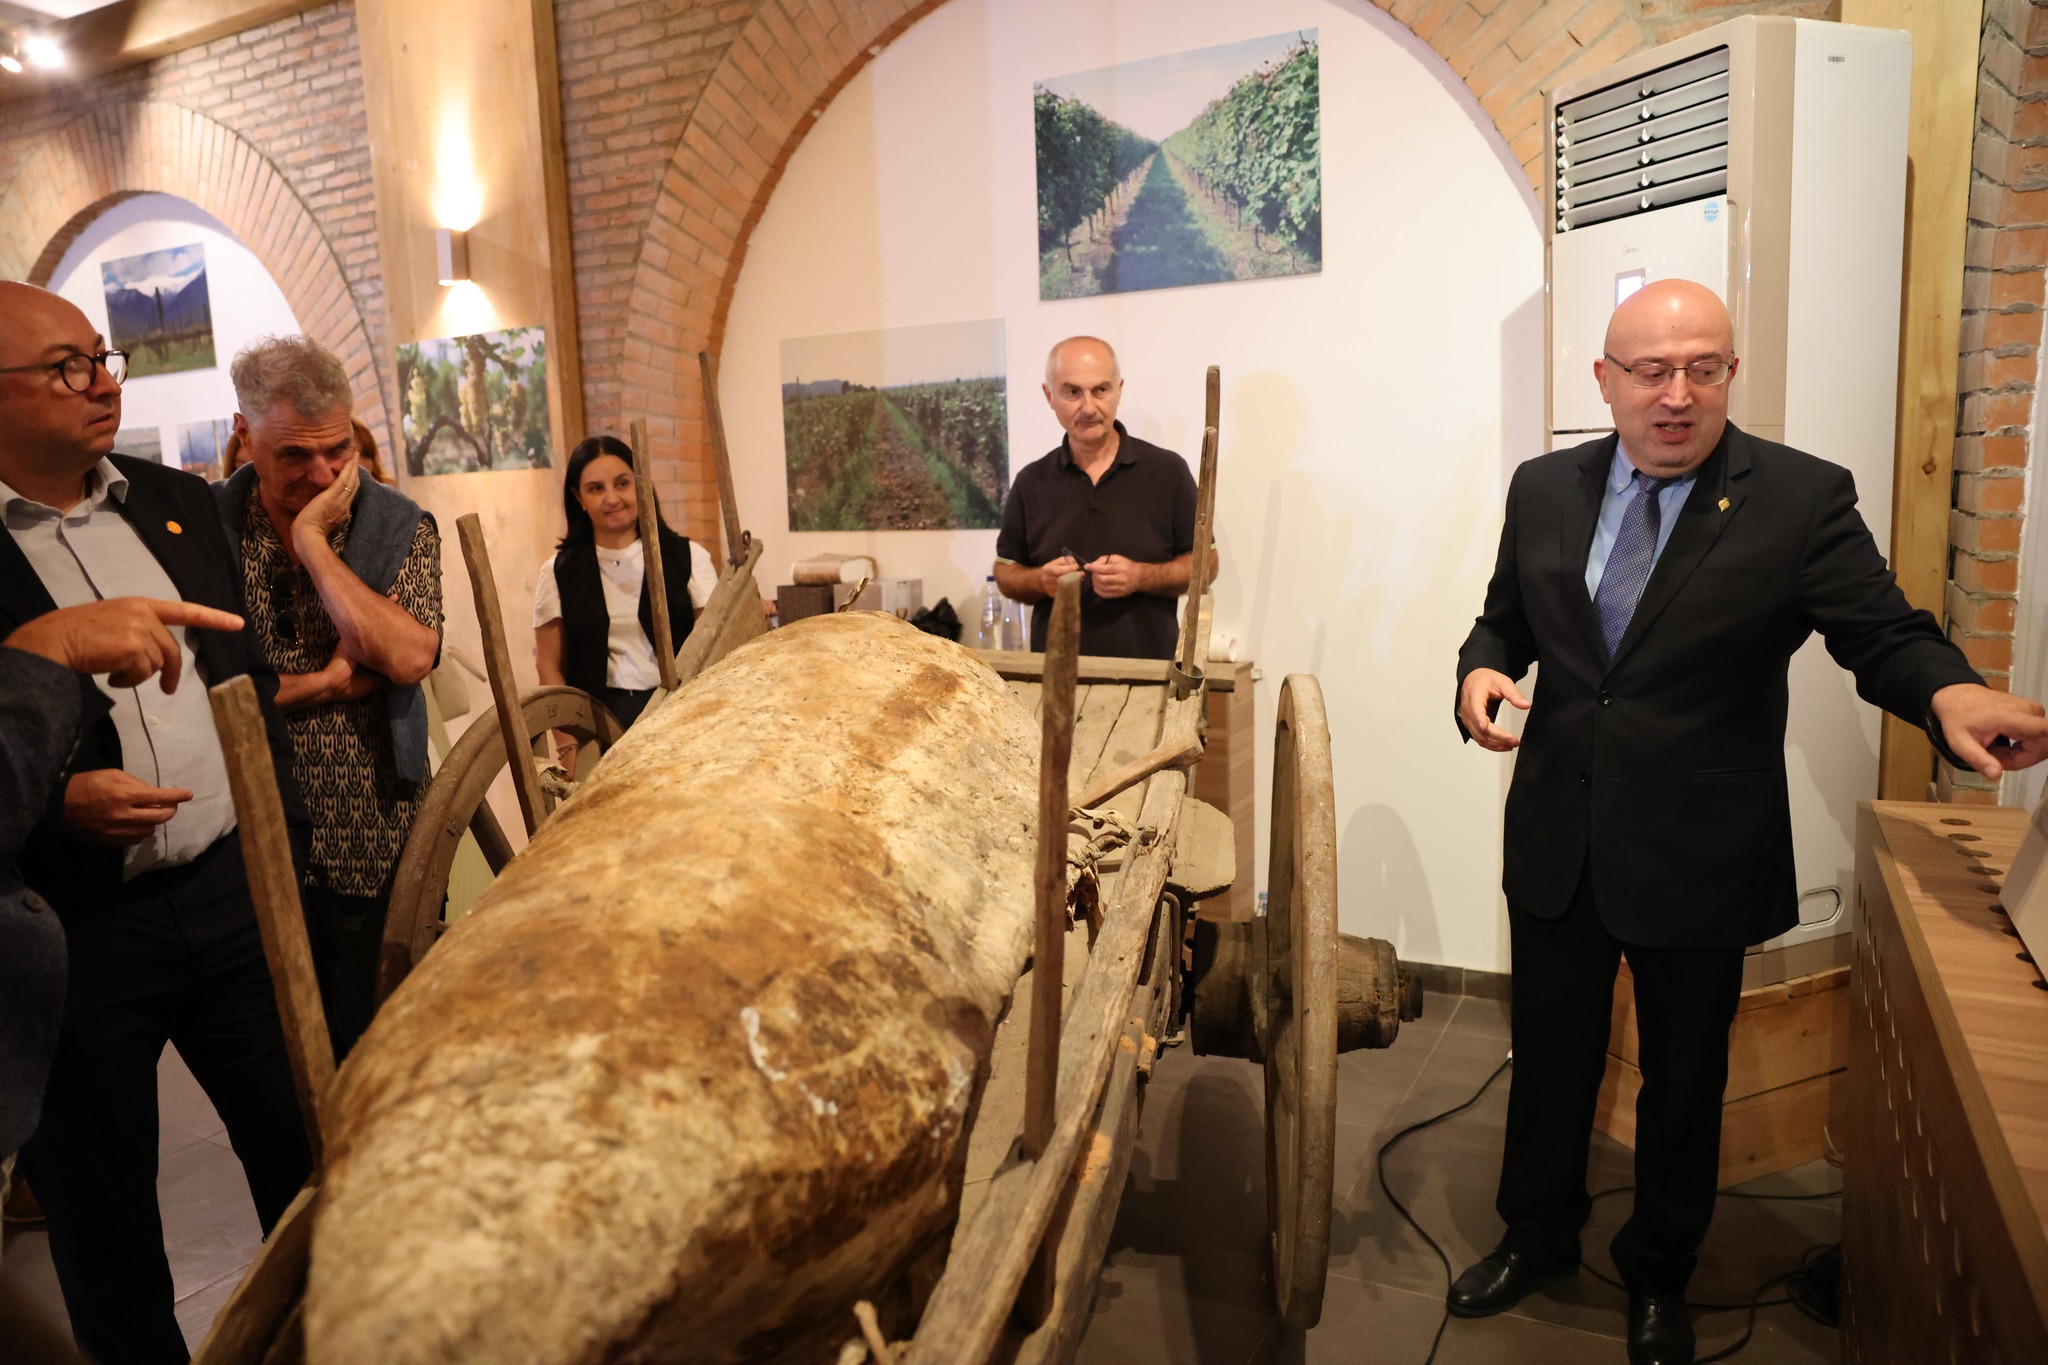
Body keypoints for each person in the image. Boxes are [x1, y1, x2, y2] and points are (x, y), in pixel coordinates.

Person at [1453, 279, 2048, 1365]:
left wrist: (1948, 691)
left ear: (1731, 372)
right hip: (1558, 839)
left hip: (1698, 853)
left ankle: (1658, 1272)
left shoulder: (1798, 498)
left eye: (1703, 369)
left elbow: (1882, 630)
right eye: (1650, 371)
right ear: (1604, 381)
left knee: (1684, 1082)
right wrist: (1479, 670)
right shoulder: (1542, 488)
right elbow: (1503, 620)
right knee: (1548, 1058)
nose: (1676, 395)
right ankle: (1534, 1232)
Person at [0, 281, 314, 1365]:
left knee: (306, 1162)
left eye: (104, 357)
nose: (104, 383)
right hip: (77, 932)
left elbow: (248, 684)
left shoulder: (177, 500)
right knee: (105, 1223)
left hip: (230, 901)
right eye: (69, 366)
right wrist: (51, 806)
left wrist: (278, 860)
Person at [215, 334, 442, 1059]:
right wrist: (328, 681)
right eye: (294, 455)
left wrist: (314, 543)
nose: (322, 473)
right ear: (244, 434)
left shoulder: (398, 523)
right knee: (286, 1058)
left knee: (388, 1043)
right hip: (248, 836)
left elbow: (408, 656)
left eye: (337, 450)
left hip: (374, 828)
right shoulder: (207, 527)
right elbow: (204, 693)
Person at [994, 337, 1206, 660]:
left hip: (1151, 676)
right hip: (1054, 677)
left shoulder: (1168, 472)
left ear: (1119, 390)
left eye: (1100, 390)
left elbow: (1206, 564)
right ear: (1049, 396)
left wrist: (1141, 577)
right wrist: (1040, 581)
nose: (1089, 407)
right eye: (1072, 392)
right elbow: (1006, 571)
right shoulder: (1031, 481)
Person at [534, 434, 715, 755]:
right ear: (578, 497)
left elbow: (714, 648)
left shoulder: (690, 557)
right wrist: (568, 745)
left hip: (680, 715)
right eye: (596, 488)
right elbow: (549, 666)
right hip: (596, 725)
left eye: (622, 484)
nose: (612, 498)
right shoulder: (557, 572)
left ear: (641, 486)